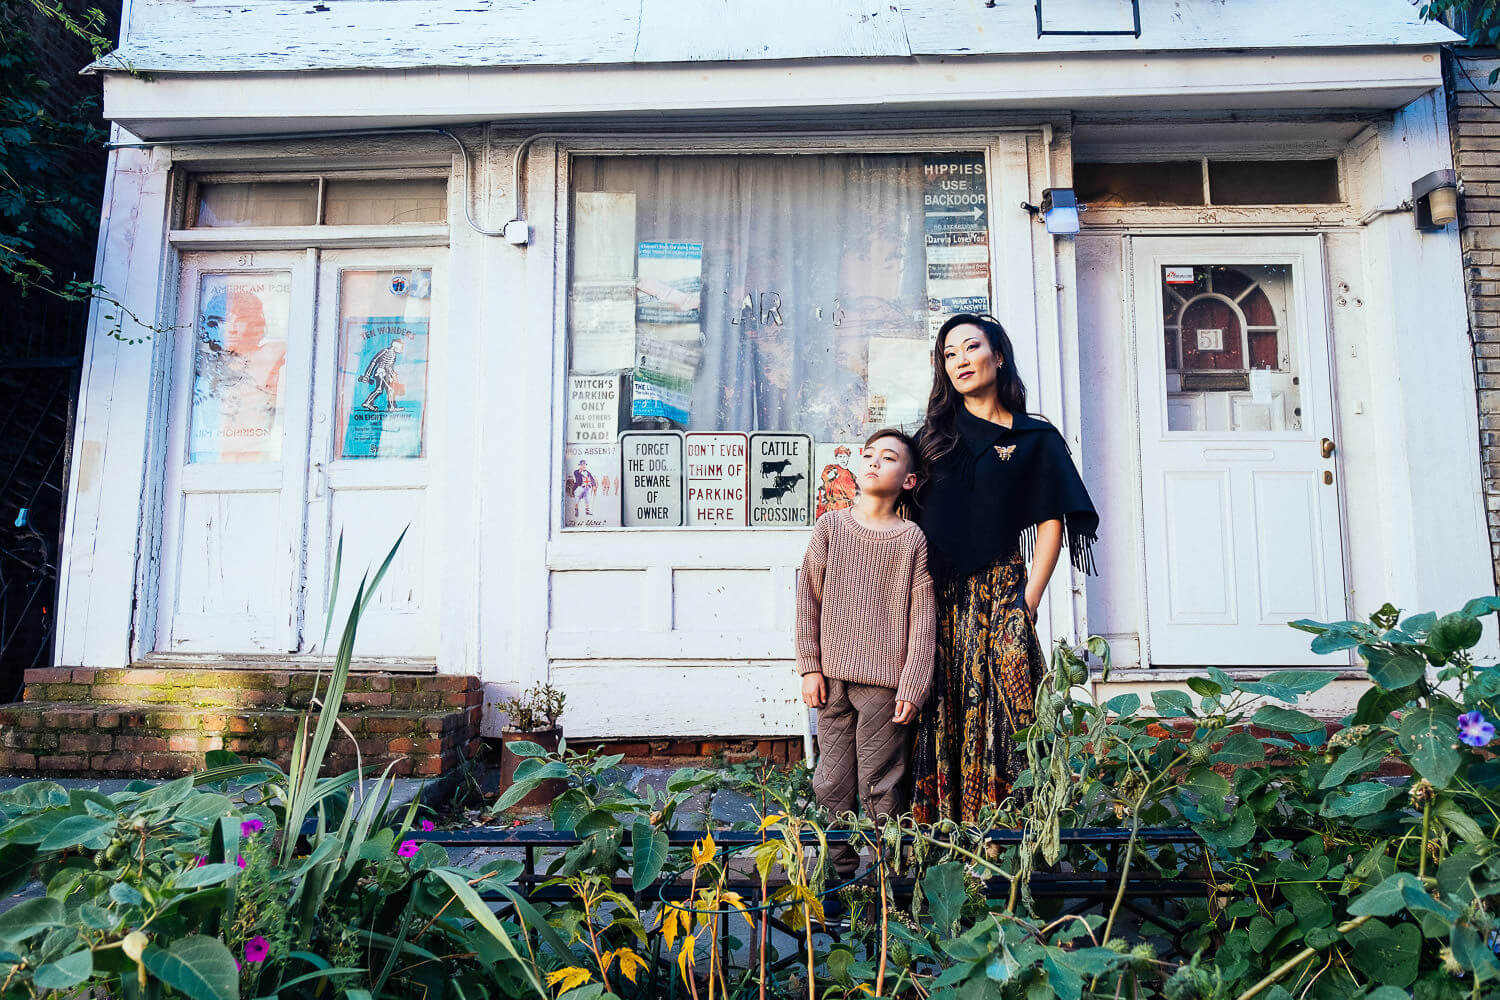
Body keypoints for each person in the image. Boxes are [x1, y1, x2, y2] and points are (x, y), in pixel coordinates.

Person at [909, 314, 1098, 824]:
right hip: (934, 600)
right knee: (937, 713)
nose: (961, 360)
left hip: (1000, 593)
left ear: (998, 356)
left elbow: (1050, 524)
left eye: (971, 347)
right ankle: (943, 845)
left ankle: (1013, 844)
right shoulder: (929, 440)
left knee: (1012, 709)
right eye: (949, 354)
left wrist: (1029, 602)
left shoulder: (1036, 438)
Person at [795, 428, 936, 876]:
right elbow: (807, 598)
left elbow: (922, 618)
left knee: (880, 784)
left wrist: (913, 684)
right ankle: (838, 873)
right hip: (831, 681)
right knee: (830, 783)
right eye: (870, 454)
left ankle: (885, 878)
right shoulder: (831, 527)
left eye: (889, 457)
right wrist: (808, 666)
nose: (874, 462)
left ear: (908, 480)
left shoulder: (911, 539)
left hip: (883, 688)